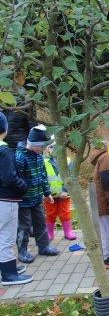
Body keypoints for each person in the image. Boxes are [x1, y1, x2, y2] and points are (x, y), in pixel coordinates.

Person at [15, 125, 59, 263]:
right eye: (42, 146)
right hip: (23, 200)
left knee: (40, 222)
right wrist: (21, 193)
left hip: (37, 197)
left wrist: (47, 193)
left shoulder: (39, 157)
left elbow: (43, 176)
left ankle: (44, 247)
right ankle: (22, 251)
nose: (44, 149)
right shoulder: (20, 158)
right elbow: (16, 179)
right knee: (24, 226)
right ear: (34, 144)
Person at [0, 112, 32, 285]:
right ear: (4, 128)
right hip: (6, 200)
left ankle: (6, 266)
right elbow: (10, 177)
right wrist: (23, 186)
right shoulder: (4, 150)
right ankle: (9, 274)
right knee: (7, 236)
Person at [43, 140, 76, 241]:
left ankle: (68, 231)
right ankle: (49, 233)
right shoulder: (43, 162)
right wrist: (46, 192)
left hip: (63, 194)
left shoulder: (67, 161)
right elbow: (42, 178)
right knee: (50, 213)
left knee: (65, 212)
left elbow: (70, 177)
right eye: (51, 147)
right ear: (47, 149)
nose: (54, 149)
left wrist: (65, 190)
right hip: (49, 195)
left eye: (56, 146)